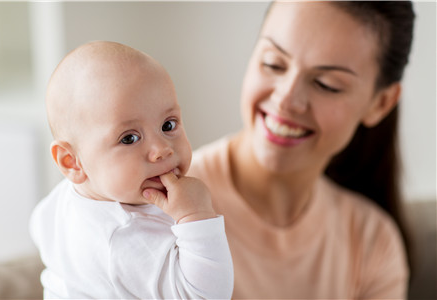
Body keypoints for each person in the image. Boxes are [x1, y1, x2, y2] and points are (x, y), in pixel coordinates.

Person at [188, 1, 415, 299]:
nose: (286, 100)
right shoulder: (160, 204)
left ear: (380, 103)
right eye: (273, 63)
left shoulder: (373, 242)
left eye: (327, 84)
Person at [29, 41, 233, 299]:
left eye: (168, 125)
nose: (162, 149)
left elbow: (38, 224)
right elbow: (207, 296)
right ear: (72, 162)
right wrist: (197, 216)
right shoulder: (126, 237)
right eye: (129, 138)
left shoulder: (66, 197)